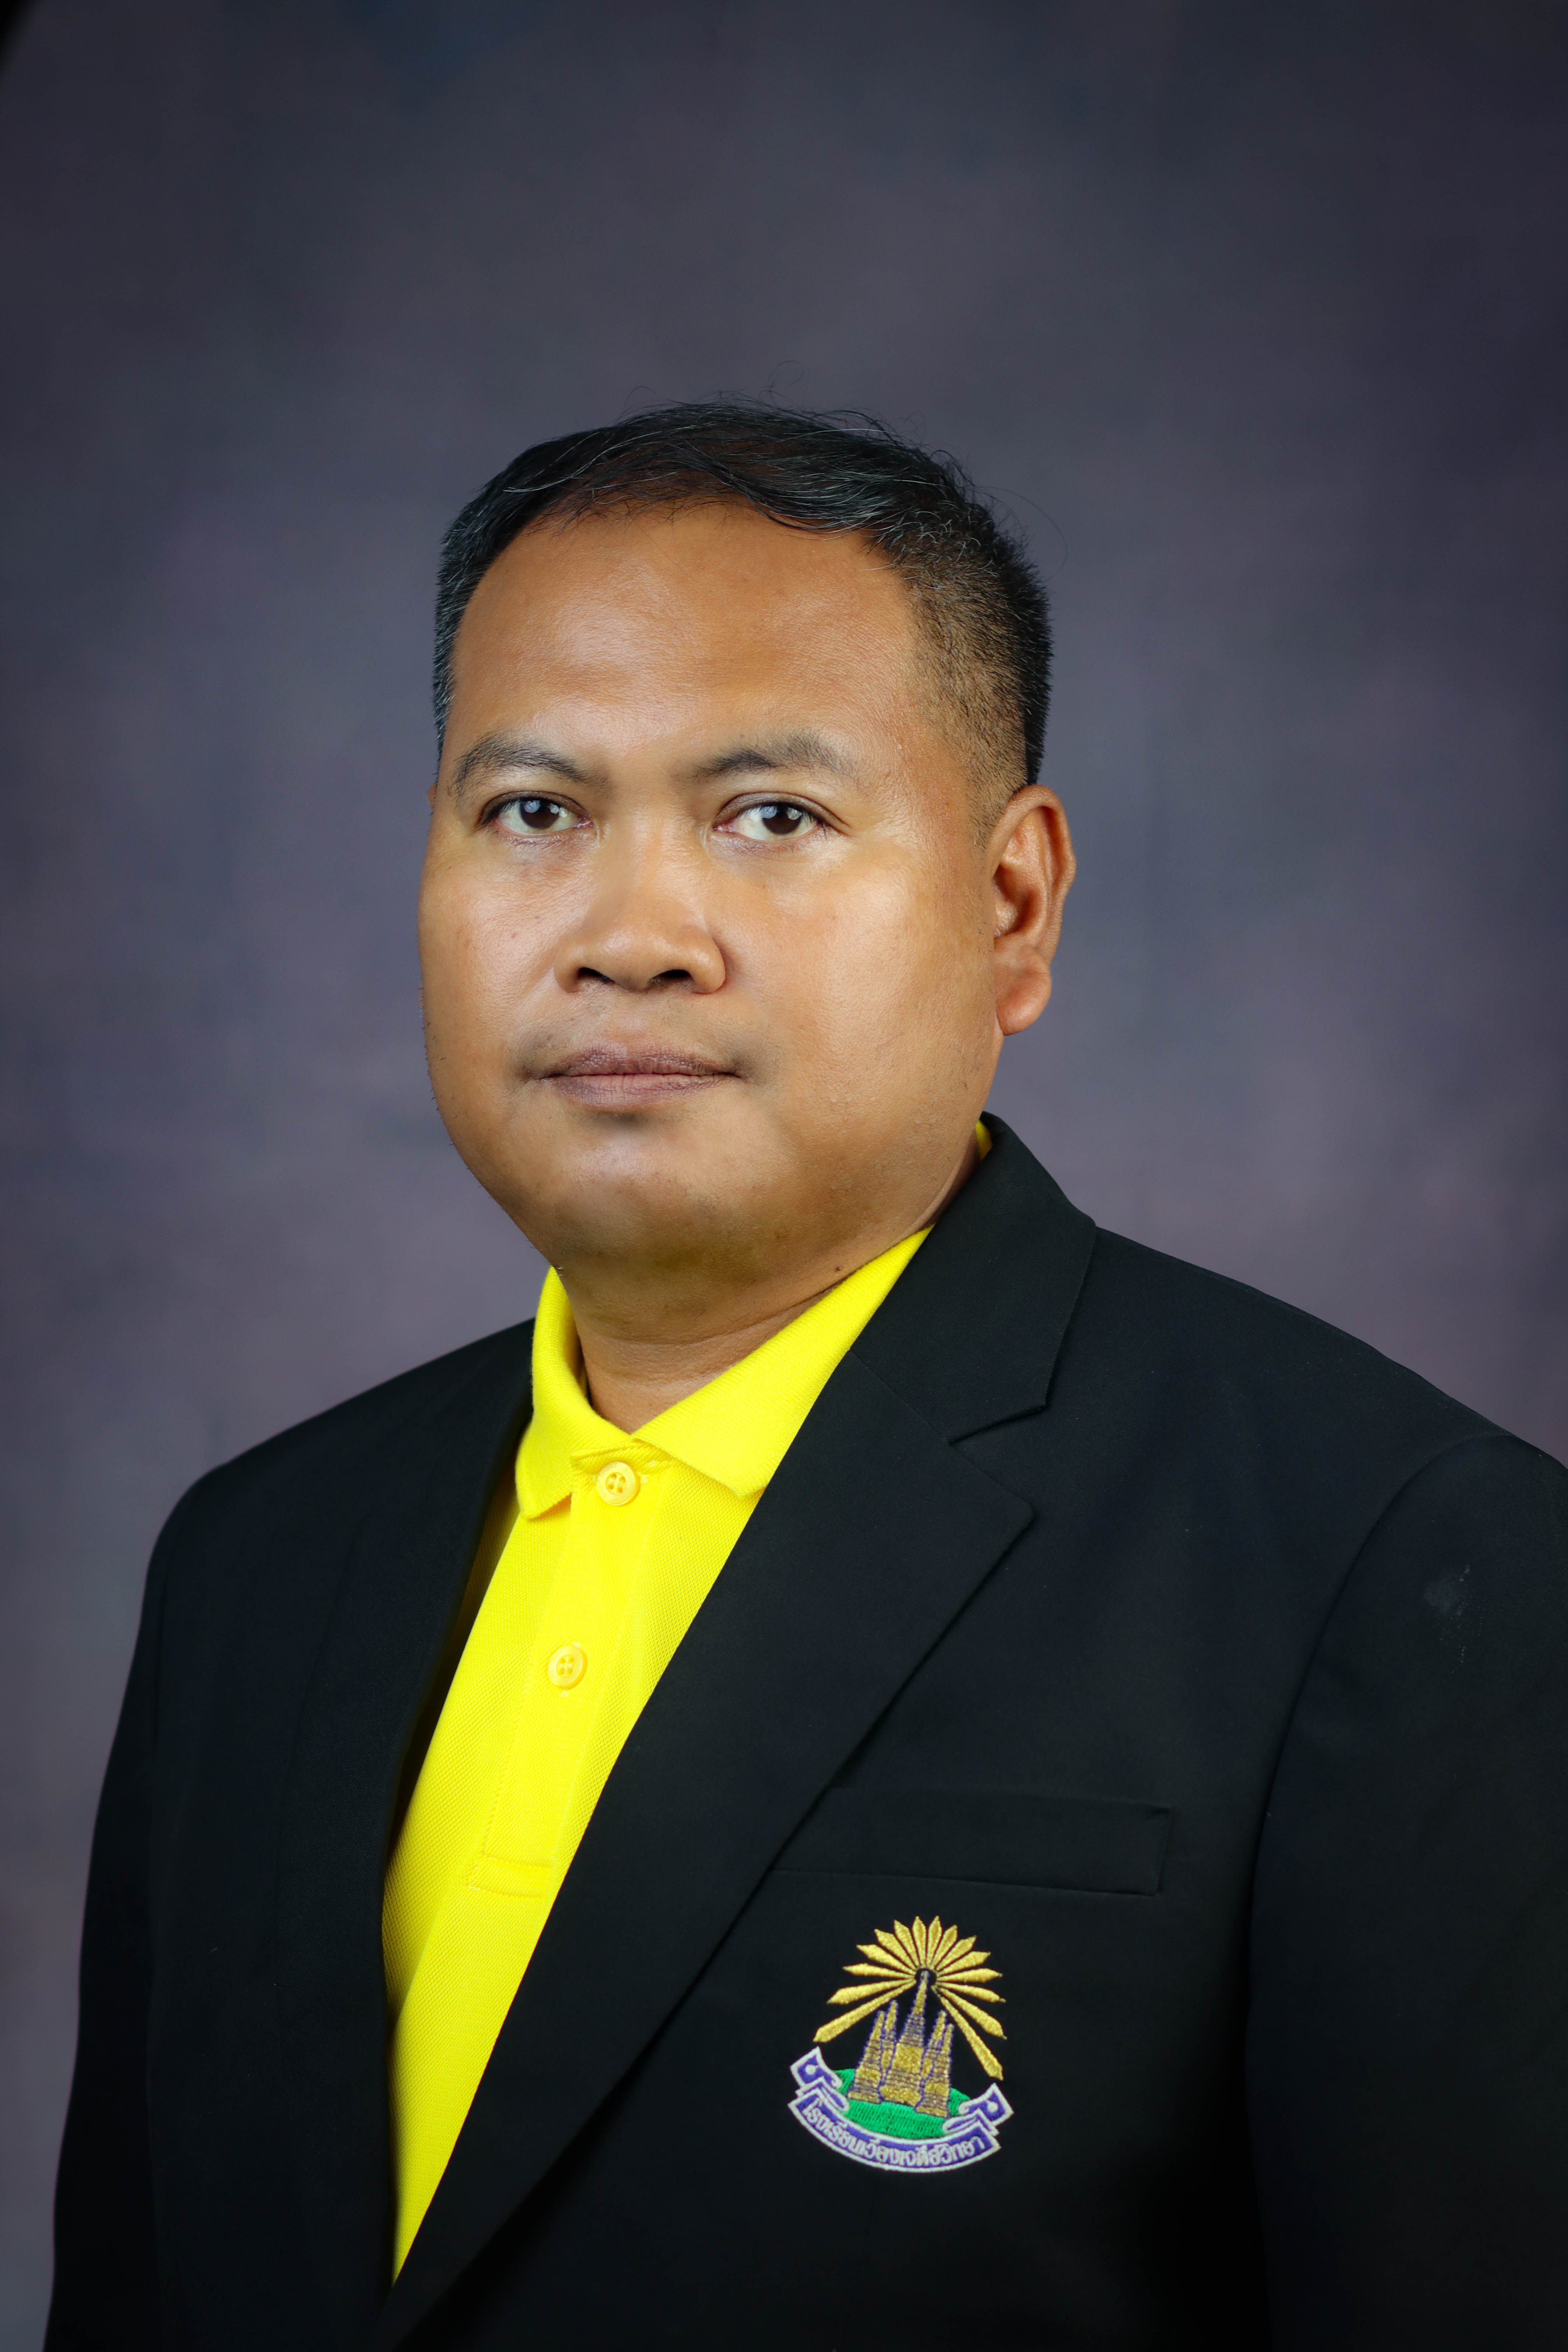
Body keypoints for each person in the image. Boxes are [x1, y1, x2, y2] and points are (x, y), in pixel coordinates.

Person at [46, 404, 1568, 2352]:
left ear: (1013, 907)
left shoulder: (1411, 1575)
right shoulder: (258, 1563)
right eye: (535, 812)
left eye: (770, 815)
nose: (631, 939)